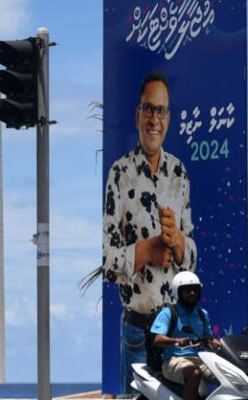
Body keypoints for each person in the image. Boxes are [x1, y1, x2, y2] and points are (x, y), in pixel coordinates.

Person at [101, 70, 197, 393]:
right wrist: (148, 250)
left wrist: (179, 243)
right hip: (136, 331)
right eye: (148, 109)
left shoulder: (179, 174)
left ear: (168, 119)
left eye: (160, 111)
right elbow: (108, 261)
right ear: (137, 115)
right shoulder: (119, 174)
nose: (154, 119)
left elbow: (191, 261)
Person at [150, 272, 220, 400]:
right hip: (173, 360)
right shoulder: (169, 313)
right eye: (187, 291)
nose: (192, 293)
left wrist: (216, 342)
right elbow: (157, 339)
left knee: (226, 374)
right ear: (178, 292)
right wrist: (177, 340)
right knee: (194, 373)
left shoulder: (202, 314)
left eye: (195, 290)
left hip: (201, 360)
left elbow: (208, 337)